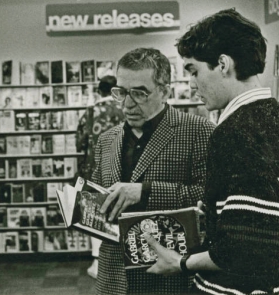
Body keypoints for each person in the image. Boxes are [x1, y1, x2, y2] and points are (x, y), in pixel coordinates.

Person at [143, 9, 279, 295]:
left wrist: (182, 262)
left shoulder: (235, 132)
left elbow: (248, 250)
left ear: (223, 64)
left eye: (193, 70)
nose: (191, 83)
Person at [92, 48, 215, 294]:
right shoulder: (106, 140)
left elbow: (210, 197)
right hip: (114, 279)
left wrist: (145, 192)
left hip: (170, 278)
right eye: (121, 92)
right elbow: (99, 196)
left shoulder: (199, 131)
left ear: (164, 91)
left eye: (139, 93)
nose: (127, 104)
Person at [76, 75, 126, 279]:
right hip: (124, 169)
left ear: (99, 91)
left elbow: (79, 142)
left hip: (94, 168)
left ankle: (98, 262)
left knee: (95, 213)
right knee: (121, 210)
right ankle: (123, 261)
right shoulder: (124, 110)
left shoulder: (90, 113)